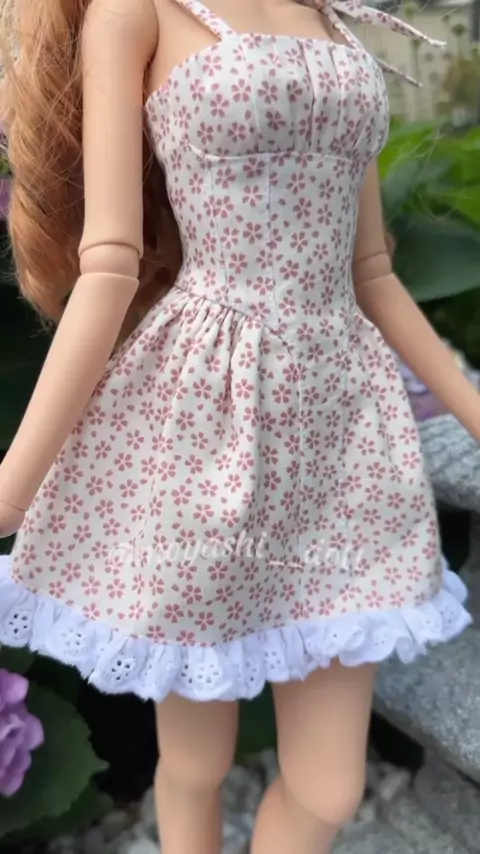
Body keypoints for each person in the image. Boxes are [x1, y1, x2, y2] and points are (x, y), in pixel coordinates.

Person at [0, 2, 477, 853]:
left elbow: (372, 270)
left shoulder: (329, 20)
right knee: (197, 761)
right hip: (208, 412)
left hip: (342, 426)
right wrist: (14, 486)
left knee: (330, 788)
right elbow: (108, 268)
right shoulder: (138, 13)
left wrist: (472, 410)